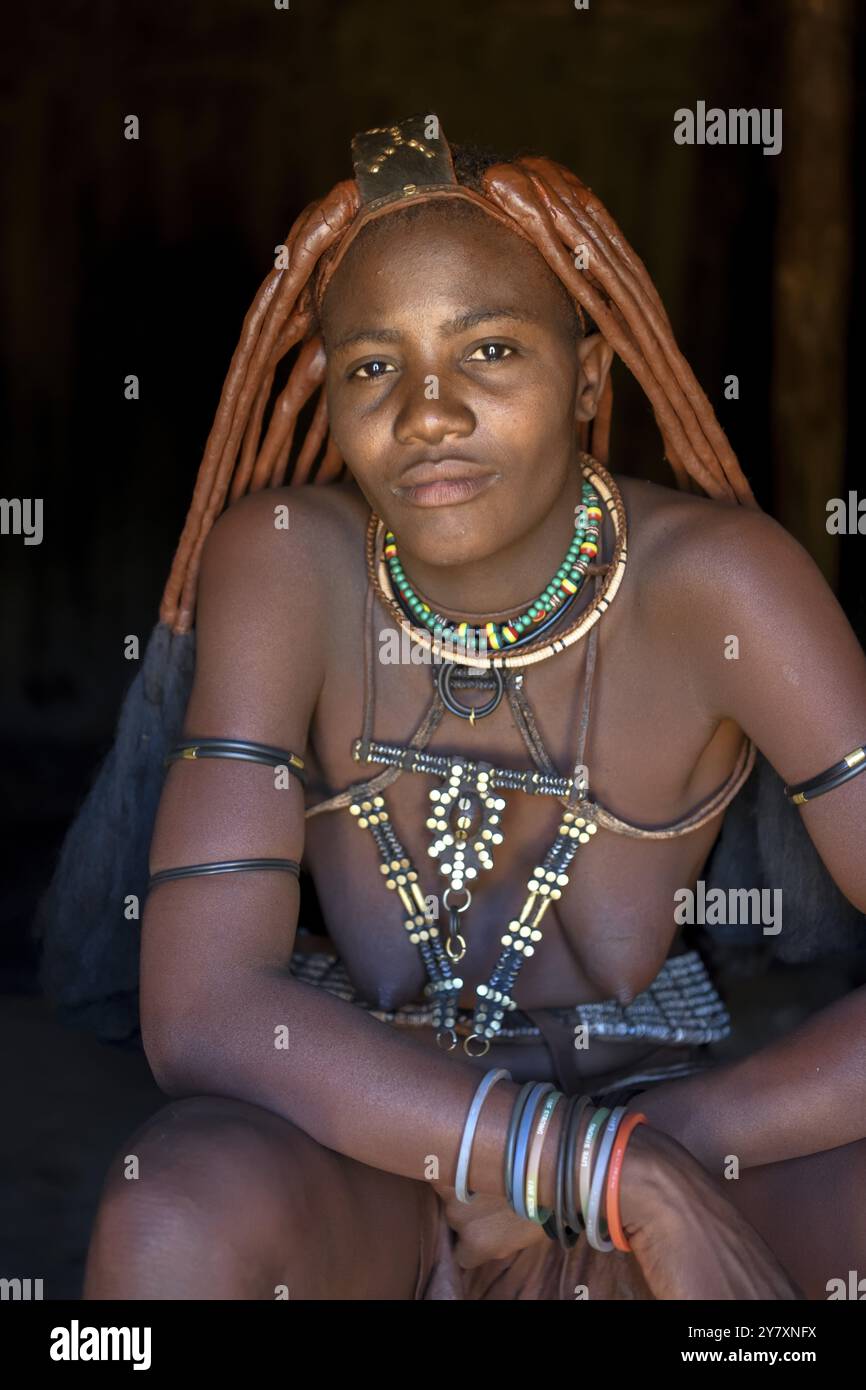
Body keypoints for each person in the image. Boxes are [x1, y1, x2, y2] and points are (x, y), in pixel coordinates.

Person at [81, 116, 866, 1300]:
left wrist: (642, 1156)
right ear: (325, 394)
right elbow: (197, 1012)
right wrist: (582, 1167)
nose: (427, 412)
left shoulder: (721, 582)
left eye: (488, 351)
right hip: (373, 1148)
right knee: (169, 1212)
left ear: (589, 374)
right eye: (371, 366)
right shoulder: (286, 559)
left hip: (678, 1125)